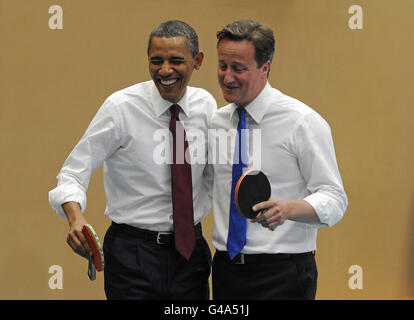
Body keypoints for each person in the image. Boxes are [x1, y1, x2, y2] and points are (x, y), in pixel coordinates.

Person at [48, 20, 217, 299]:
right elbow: (72, 173)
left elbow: (213, 176)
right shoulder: (120, 108)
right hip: (133, 256)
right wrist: (75, 218)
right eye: (156, 61)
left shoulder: (206, 105)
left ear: (198, 61)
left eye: (176, 60)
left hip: (191, 255)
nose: (164, 70)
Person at [209, 19, 348, 300]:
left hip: (283, 275)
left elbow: (335, 199)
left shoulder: (303, 122)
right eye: (223, 65)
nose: (227, 76)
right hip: (225, 270)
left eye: (238, 68)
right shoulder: (216, 122)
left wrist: (289, 209)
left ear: (265, 67)